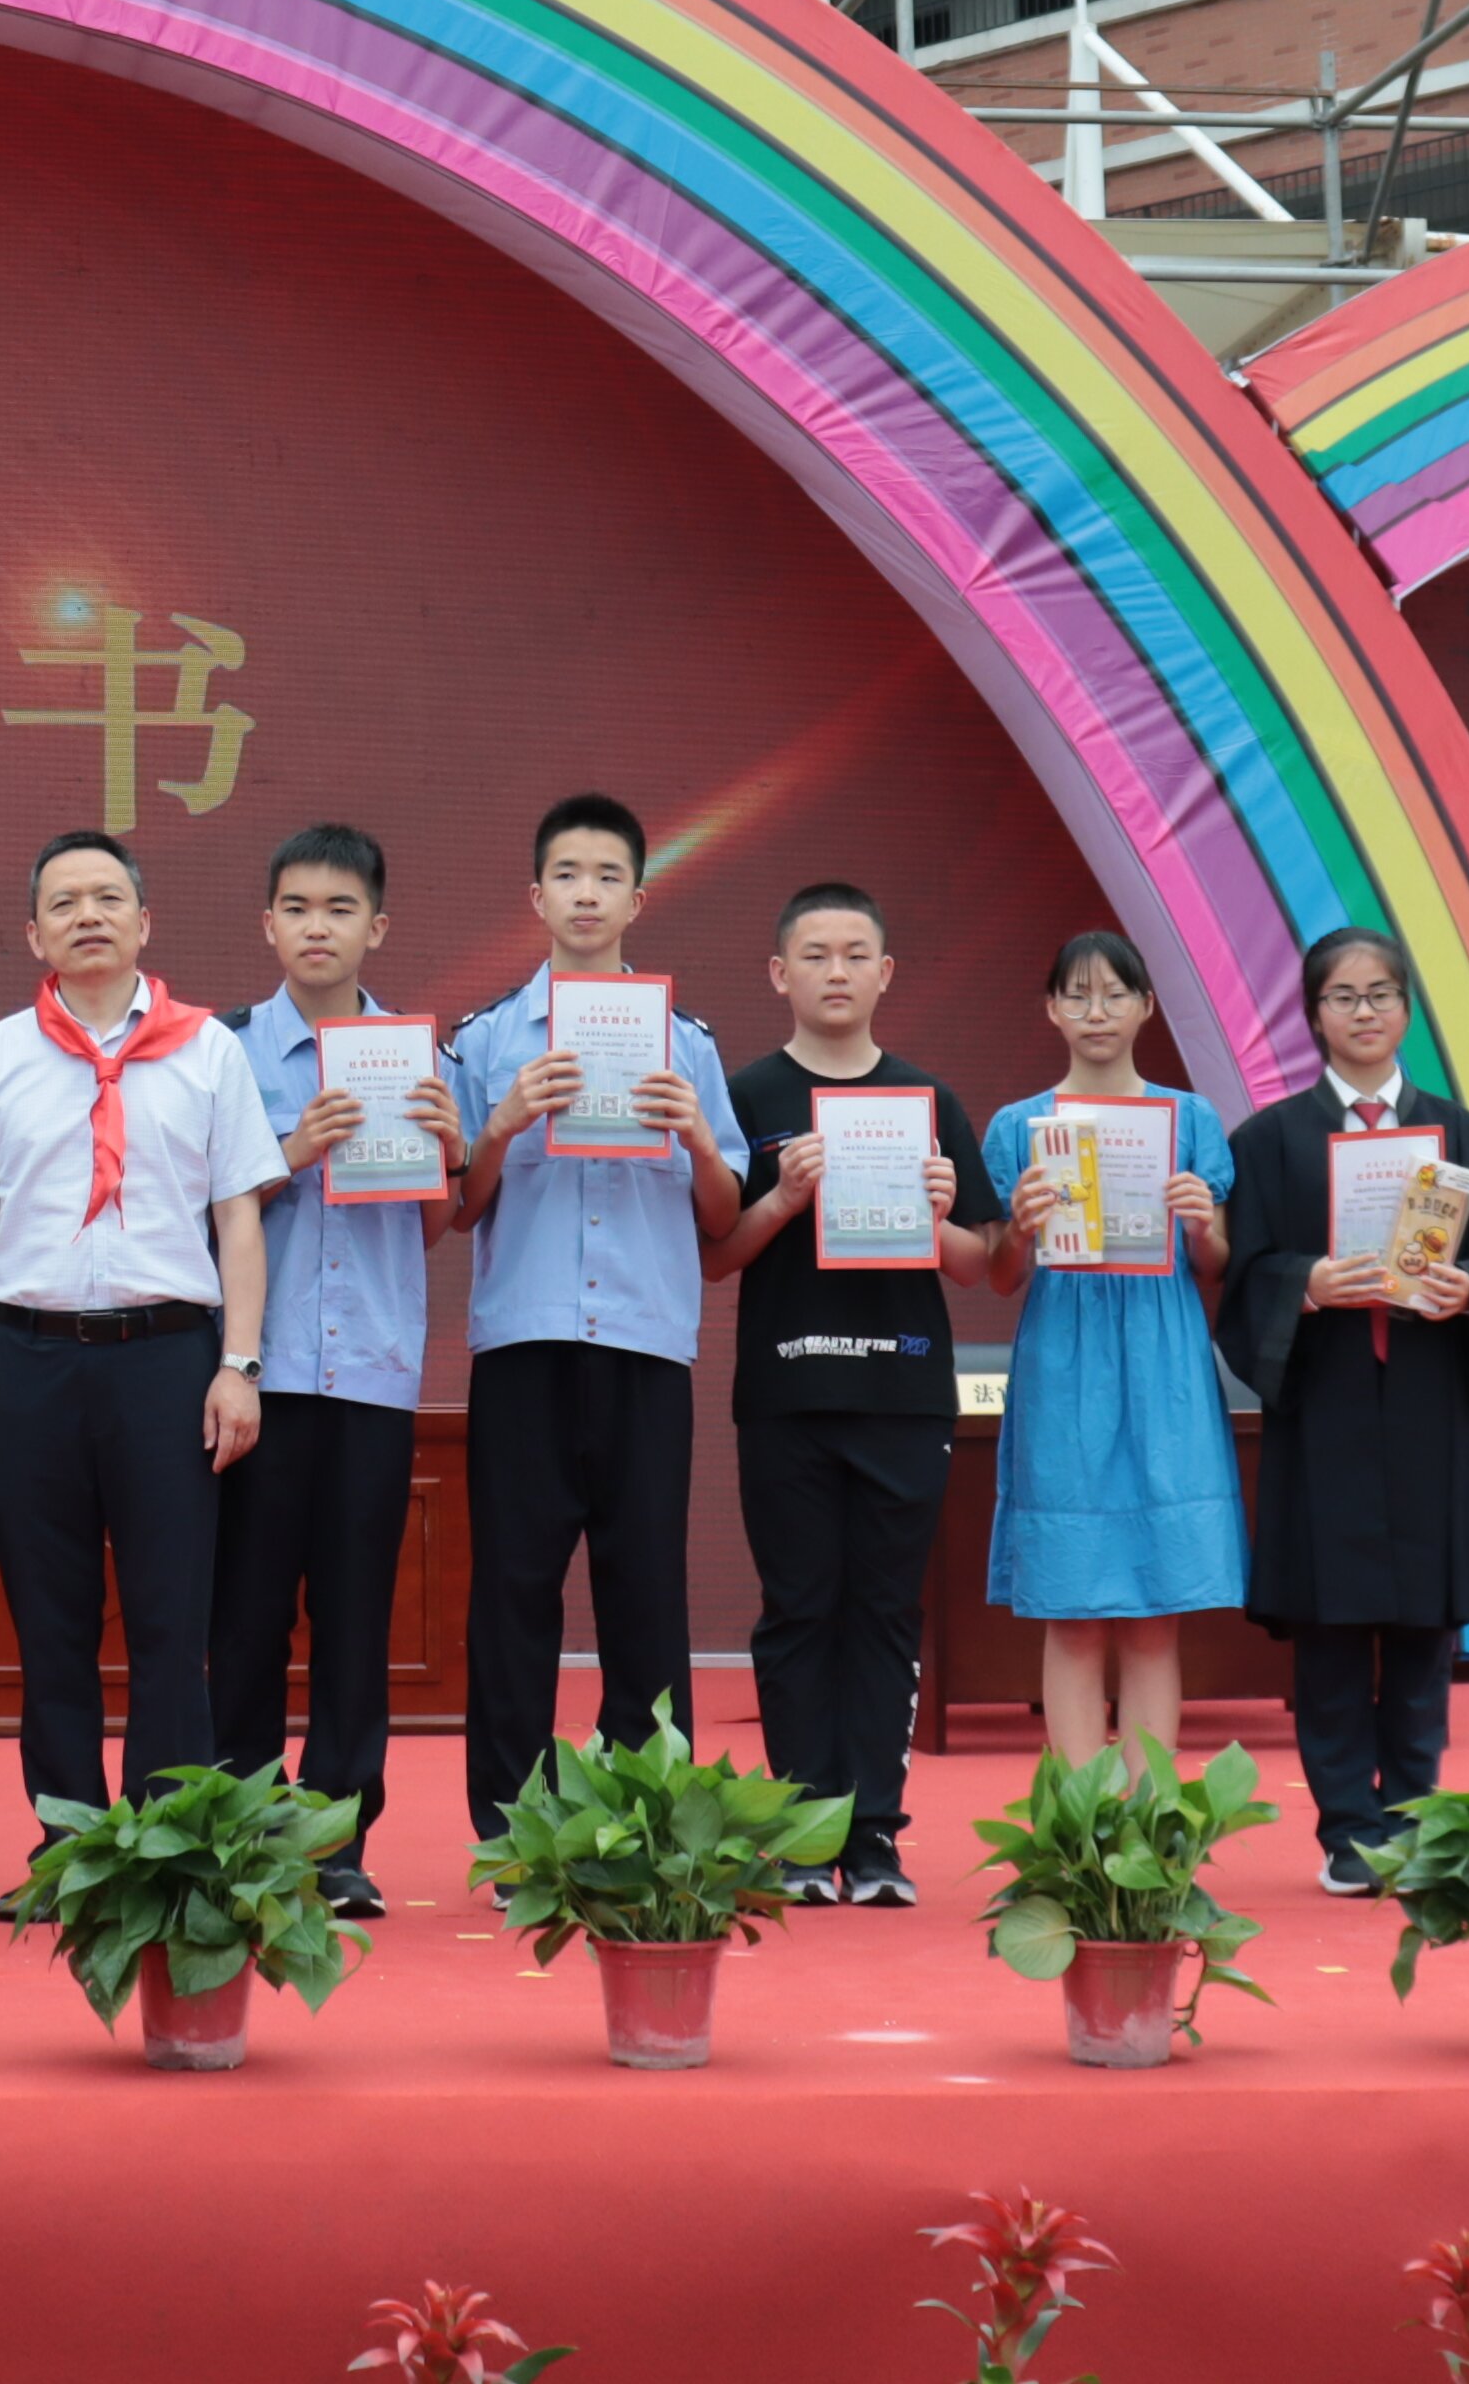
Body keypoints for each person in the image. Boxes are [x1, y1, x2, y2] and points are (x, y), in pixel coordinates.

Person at [0, 829, 273, 1834]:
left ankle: (165, 1846)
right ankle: (69, 1842)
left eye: (108, 897)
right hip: (28, 1360)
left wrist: (239, 1364)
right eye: (65, 902)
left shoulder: (209, 1050)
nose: (88, 915)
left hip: (169, 1360)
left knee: (172, 1619)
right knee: (51, 1623)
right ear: (35, 933)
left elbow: (239, 1217)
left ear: (144, 921)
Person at [439, 793, 744, 1835]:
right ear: (536, 896)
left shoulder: (686, 1046)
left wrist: (697, 1137)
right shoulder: (485, 1041)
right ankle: (508, 1824)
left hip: (646, 1347)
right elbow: (456, 1209)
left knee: (644, 1589)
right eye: (567, 874)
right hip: (524, 1345)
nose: (586, 893)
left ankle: (647, 1823)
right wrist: (503, 1124)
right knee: (513, 1591)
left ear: (637, 899)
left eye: (607, 876)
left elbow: (721, 1222)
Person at [1221, 925, 1469, 1895]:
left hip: (1430, 1411)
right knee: (1329, 1628)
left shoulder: (1461, 1135)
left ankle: (1412, 1818)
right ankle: (1348, 1833)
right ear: (1313, 1015)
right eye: (1343, 996)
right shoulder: (1269, 1140)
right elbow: (1240, 1278)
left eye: (1381, 994)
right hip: (1327, 1412)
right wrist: (1307, 1283)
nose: (1364, 1012)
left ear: (1407, 1008)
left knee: (1421, 1630)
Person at [709, 882, 999, 1904]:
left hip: (904, 1391)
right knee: (797, 1609)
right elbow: (715, 1253)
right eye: (815, 954)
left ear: (885, 973)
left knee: (882, 1613)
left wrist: (940, 1214)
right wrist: (785, 1196)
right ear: (779, 973)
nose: (836, 972)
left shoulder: (930, 1101)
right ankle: (800, 1832)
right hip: (786, 1392)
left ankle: (873, 1834)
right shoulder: (747, 1097)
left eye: (855, 954)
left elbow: (978, 1263)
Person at [216, 824, 456, 1918]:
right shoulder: (221, 1055)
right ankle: (240, 1827)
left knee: (357, 1620)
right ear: (268, 923)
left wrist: (447, 1153)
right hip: (256, 1376)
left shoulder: (421, 1058)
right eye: (299, 907)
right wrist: (292, 1151)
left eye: (341, 908)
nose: (319, 927)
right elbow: (194, 1210)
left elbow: (437, 1225)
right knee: (246, 1615)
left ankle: (338, 1839)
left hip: (369, 1373)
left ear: (378, 927)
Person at [975, 931, 1246, 1764]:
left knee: (1156, 1613)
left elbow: (1215, 1265)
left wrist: (1200, 1225)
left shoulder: (1190, 1121)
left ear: (1146, 1007)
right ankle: (1082, 1819)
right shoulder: (1019, 1128)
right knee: (1072, 1613)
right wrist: (1021, 1230)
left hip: (1164, 1364)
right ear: (1052, 1009)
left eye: (1115, 994)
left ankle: (1149, 1816)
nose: (1097, 1012)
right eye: (1078, 995)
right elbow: (1001, 1277)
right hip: (1064, 1364)